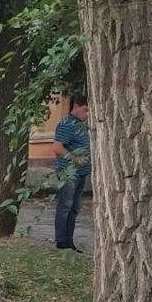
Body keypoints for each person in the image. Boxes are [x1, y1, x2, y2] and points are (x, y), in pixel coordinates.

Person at [53, 94, 90, 251]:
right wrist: (74, 158)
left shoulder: (81, 124)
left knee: (75, 207)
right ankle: (62, 241)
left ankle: (69, 241)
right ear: (76, 106)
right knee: (65, 206)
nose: (87, 114)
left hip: (81, 173)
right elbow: (57, 147)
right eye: (86, 110)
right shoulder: (66, 124)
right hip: (69, 173)